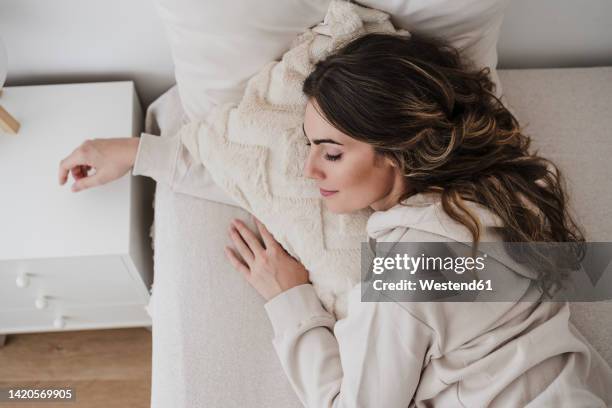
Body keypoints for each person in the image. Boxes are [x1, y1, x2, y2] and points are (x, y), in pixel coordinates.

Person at [58, 32, 612, 406]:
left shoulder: (411, 270)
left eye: (331, 151)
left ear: (396, 149)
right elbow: (269, 181)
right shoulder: (508, 187)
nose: (308, 168)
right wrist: (139, 153)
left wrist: (289, 299)